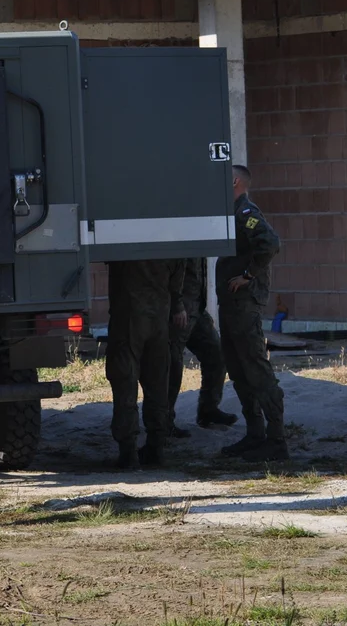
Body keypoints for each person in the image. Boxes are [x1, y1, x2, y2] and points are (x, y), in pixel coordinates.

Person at [216, 165, 286, 462]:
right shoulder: (233, 213)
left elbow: (270, 244)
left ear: (235, 181)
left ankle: (276, 439)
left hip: (244, 303)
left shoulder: (245, 212)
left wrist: (248, 274)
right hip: (231, 304)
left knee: (256, 368)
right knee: (238, 369)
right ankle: (255, 433)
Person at [105, 258, 186, 469]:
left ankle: (128, 452)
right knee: (157, 386)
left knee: (125, 384)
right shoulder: (171, 243)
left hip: (128, 320)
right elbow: (177, 278)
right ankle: (156, 448)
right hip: (159, 318)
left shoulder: (124, 236)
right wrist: (177, 305)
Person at [167, 257, 239, 438]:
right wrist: (176, 305)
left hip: (196, 308)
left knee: (216, 354)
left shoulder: (200, 232)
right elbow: (172, 271)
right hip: (179, 310)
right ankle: (163, 421)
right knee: (172, 364)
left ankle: (208, 410)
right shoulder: (181, 235)